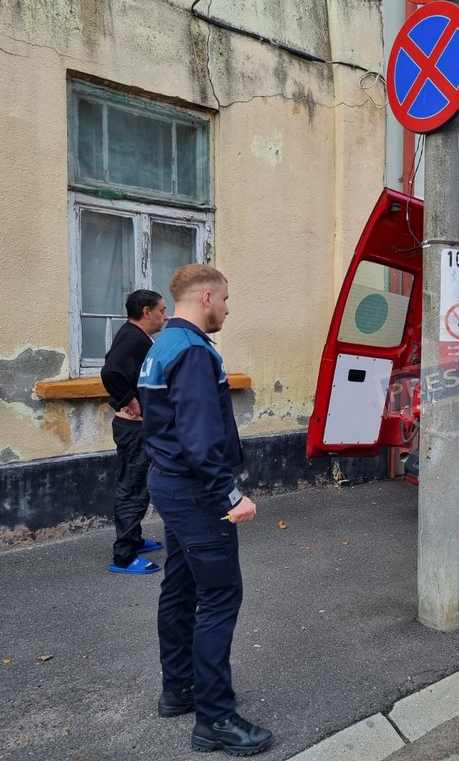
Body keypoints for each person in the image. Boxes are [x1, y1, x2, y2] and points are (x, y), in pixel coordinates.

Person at [138, 264, 273, 756]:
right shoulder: (193, 352)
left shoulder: (162, 346)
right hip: (196, 492)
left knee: (180, 585)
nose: (229, 309)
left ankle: (179, 688)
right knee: (219, 597)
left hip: (169, 485)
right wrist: (231, 497)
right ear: (208, 296)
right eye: (227, 299)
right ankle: (215, 720)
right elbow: (199, 440)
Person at [101, 289, 169, 575]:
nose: (165, 316)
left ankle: (135, 540)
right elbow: (110, 372)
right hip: (134, 429)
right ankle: (125, 556)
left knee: (135, 484)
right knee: (133, 488)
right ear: (146, 312)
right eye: (162, 310)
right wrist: (129, 401)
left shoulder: (133, 335)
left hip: (134, 426)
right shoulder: (133, 337)